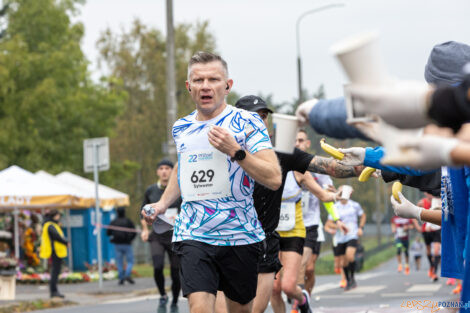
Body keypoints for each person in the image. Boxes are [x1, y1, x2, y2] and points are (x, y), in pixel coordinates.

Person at [143, 52, 282, 313]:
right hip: (193, 233)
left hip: (240, 234)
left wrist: (236, 151)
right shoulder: (181, 127)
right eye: (198, 80)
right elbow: (183, 167)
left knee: (240, 309)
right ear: (189, 87)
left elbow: (273, 177)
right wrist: (162, 204)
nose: (205, 86)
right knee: (199, 308)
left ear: (227, 85)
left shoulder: (248, 122)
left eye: (213, 79)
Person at [227, 96, 356, 313]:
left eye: (263, 117)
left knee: (267, 300)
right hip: (228, 239)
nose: (260, 122)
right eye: (252, 118)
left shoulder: (283, 152)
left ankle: (301, 301)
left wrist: (366, 163)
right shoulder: (221, 151)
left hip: (267, 239)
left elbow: (328, 167)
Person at [141, 160, 182, 308]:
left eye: (167, 168)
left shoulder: (180, 189)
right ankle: (163, 295)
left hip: (175, 235)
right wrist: (145, 230)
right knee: (158, 266)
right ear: (157, 172)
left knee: (176, 271)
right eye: (161, 168)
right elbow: (143, 212)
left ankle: (175, 299)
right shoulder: (151, 190)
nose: (164, 171)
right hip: (157, 236)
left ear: (173, 171)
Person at [325, 186, 366, 291]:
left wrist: (360, 228)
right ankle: (348, 281)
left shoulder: (354, 205)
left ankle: (352, 278)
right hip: (340, 237)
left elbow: (363, 216)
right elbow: (329, 223)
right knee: (343, 263)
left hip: (352, 235)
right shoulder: (335, 207)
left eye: (345, 191)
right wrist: (337, 226)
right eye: (341, 191)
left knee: (350, 256)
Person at [39, 210, 68, 298]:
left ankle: (54, 291)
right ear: (55, 216)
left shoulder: (51, 224)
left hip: (55, 250)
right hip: (55, 251)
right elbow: (56, 236)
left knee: (55, 271)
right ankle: (54, 291)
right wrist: (65, 242)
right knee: (55, 271)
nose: (59, 217)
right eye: (58, 215)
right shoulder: (50, 225)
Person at [108, 207, 136, 285]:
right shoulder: (128, 221)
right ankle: (127, 274)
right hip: (127, 244)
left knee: (119, 262)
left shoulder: (114, 222)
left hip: (117, 244)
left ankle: (121, 278)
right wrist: (130, 239)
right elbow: (134, 232)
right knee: (130, 261)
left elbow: (108, 232)